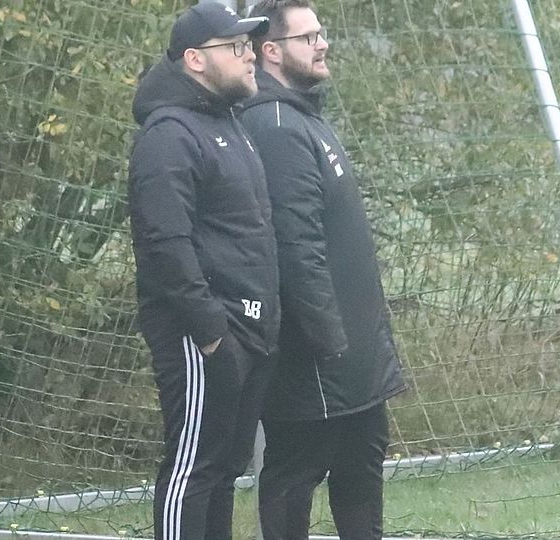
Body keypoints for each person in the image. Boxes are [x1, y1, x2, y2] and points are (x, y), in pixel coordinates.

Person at [238, 1, 407, 538]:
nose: (322, 43)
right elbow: (295, 246)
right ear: (271, 51)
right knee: (296, 469)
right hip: (316, 354)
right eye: (307, 37)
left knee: (361, 460)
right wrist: (327, 339)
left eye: (320, 33)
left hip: (353, 350)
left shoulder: (304, 115)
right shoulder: (275, 124)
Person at [127, 4, 279, 539]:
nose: (248, 57)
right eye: (234, 48)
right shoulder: (169, 134)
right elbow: (165, 243)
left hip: (251, 330)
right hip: (204, 335)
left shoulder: (227, 123)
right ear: (194, 59)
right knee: (193, 468)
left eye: (249, 47)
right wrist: (211, 332)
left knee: (223, 470)